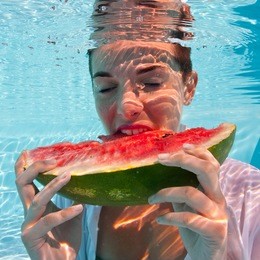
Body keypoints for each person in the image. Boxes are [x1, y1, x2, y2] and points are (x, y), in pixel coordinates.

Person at [15, 1, 260, 260]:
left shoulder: (249, 195)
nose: (126, 106)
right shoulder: (66, 197)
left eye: (152, 82)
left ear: (189, 87)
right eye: (106, 88)